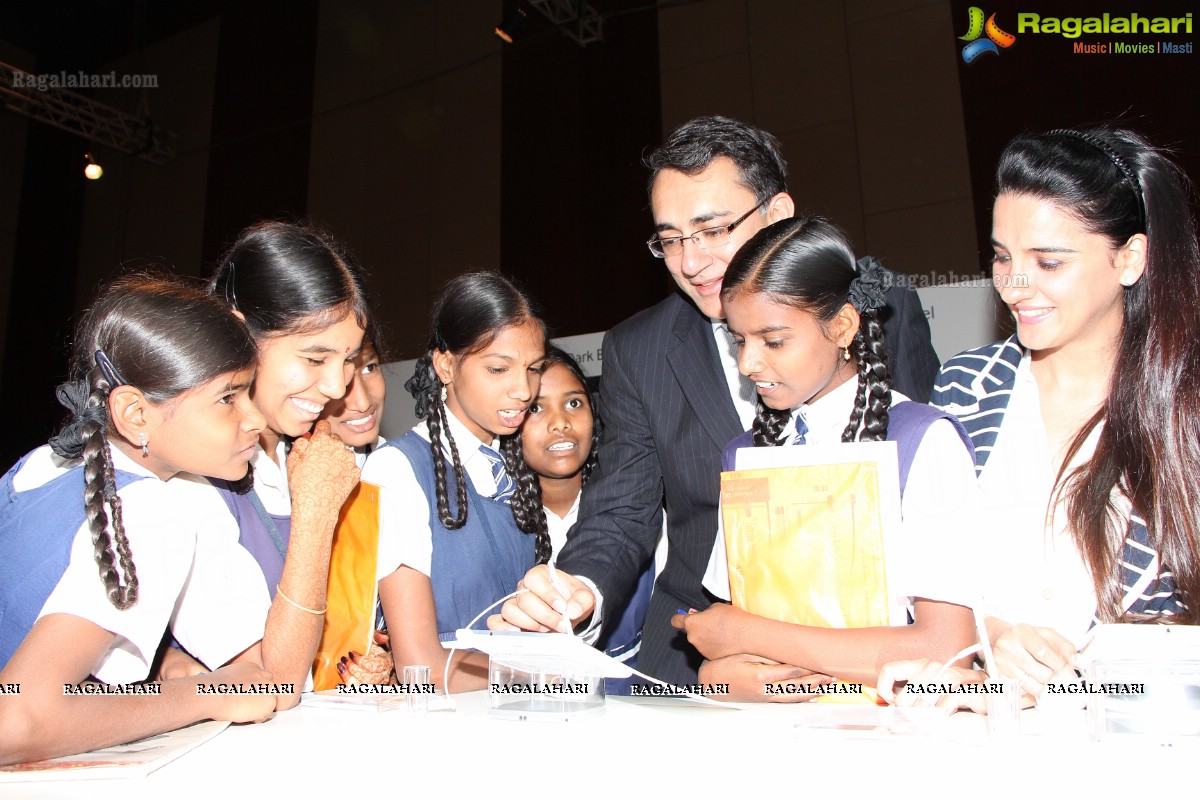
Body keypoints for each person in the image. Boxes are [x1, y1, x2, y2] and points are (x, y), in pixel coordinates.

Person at [497, 115, 939, 686]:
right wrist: (578, 587)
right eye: (671, 239)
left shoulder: (881, 307)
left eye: (712, 230)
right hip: (698, 645)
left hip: (868, 649)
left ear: (777, 214)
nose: (690, 261)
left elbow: (918, 494)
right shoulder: (639, 349)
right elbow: (620, 512)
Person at [880, 126, 1200, 710]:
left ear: (1129, 258)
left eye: (1048, 262)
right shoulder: (964, 389)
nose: (1015, 285)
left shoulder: (1183, 408)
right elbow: (917, 579)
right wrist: (989, 639)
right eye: (1003, 257)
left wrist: (1081, 682)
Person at [0, 275, 278, 766]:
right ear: (133, 413)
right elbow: (19, 717)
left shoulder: (42, 464)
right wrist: (207, 694)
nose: (254, 418)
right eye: (228, 398)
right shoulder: (152, 512)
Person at [187, 221, 366, 699]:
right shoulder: (188, 474)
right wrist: (317, 511)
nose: (336, 387)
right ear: (238, 334)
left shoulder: (293, 452)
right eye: (314, 359)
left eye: (349, 360)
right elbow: (273, 682)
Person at [363, 272, 549, 692]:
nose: (523, 390)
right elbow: (420, 669)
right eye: (499, 368)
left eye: (533, 369)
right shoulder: (396, 470)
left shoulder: (514, 466)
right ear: (445, 364)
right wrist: (544, 675)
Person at [517, 347, 653, 687]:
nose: (561, 422)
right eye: (535, 408)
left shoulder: (639, 512)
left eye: (574, 403)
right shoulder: (497, 521)